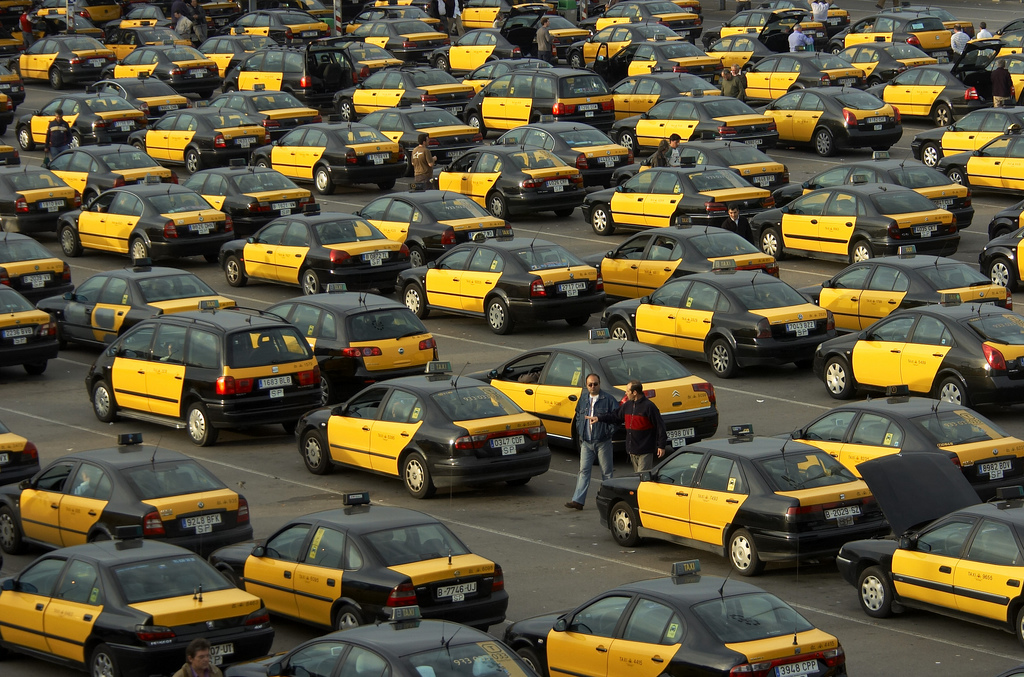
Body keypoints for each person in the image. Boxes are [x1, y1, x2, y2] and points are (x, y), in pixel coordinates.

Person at [589, 379, 668, 473]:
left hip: (645, 450)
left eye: (627, 391)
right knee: (637, 476)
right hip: (632, 450)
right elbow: (615, 416)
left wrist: (661, 445)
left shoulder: (649, 407)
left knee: (643, 476)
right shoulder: (627, 405)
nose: (626, 393)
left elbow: (660, 426)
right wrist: (599, 418)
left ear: (635, 392)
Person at [564, 374, 617, 510]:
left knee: (607, 473)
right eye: (590, 384)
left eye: (595, 384)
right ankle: (578, 501)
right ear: (586, 386)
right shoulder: (583, 399)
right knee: (583, 471)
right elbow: (578, 417)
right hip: (586, 442)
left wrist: (607, 432)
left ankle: (610, 501)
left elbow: (617, 419)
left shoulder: (608, 400)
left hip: (603, 441)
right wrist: (581, 431)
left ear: (600, 384)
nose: (593, 387)